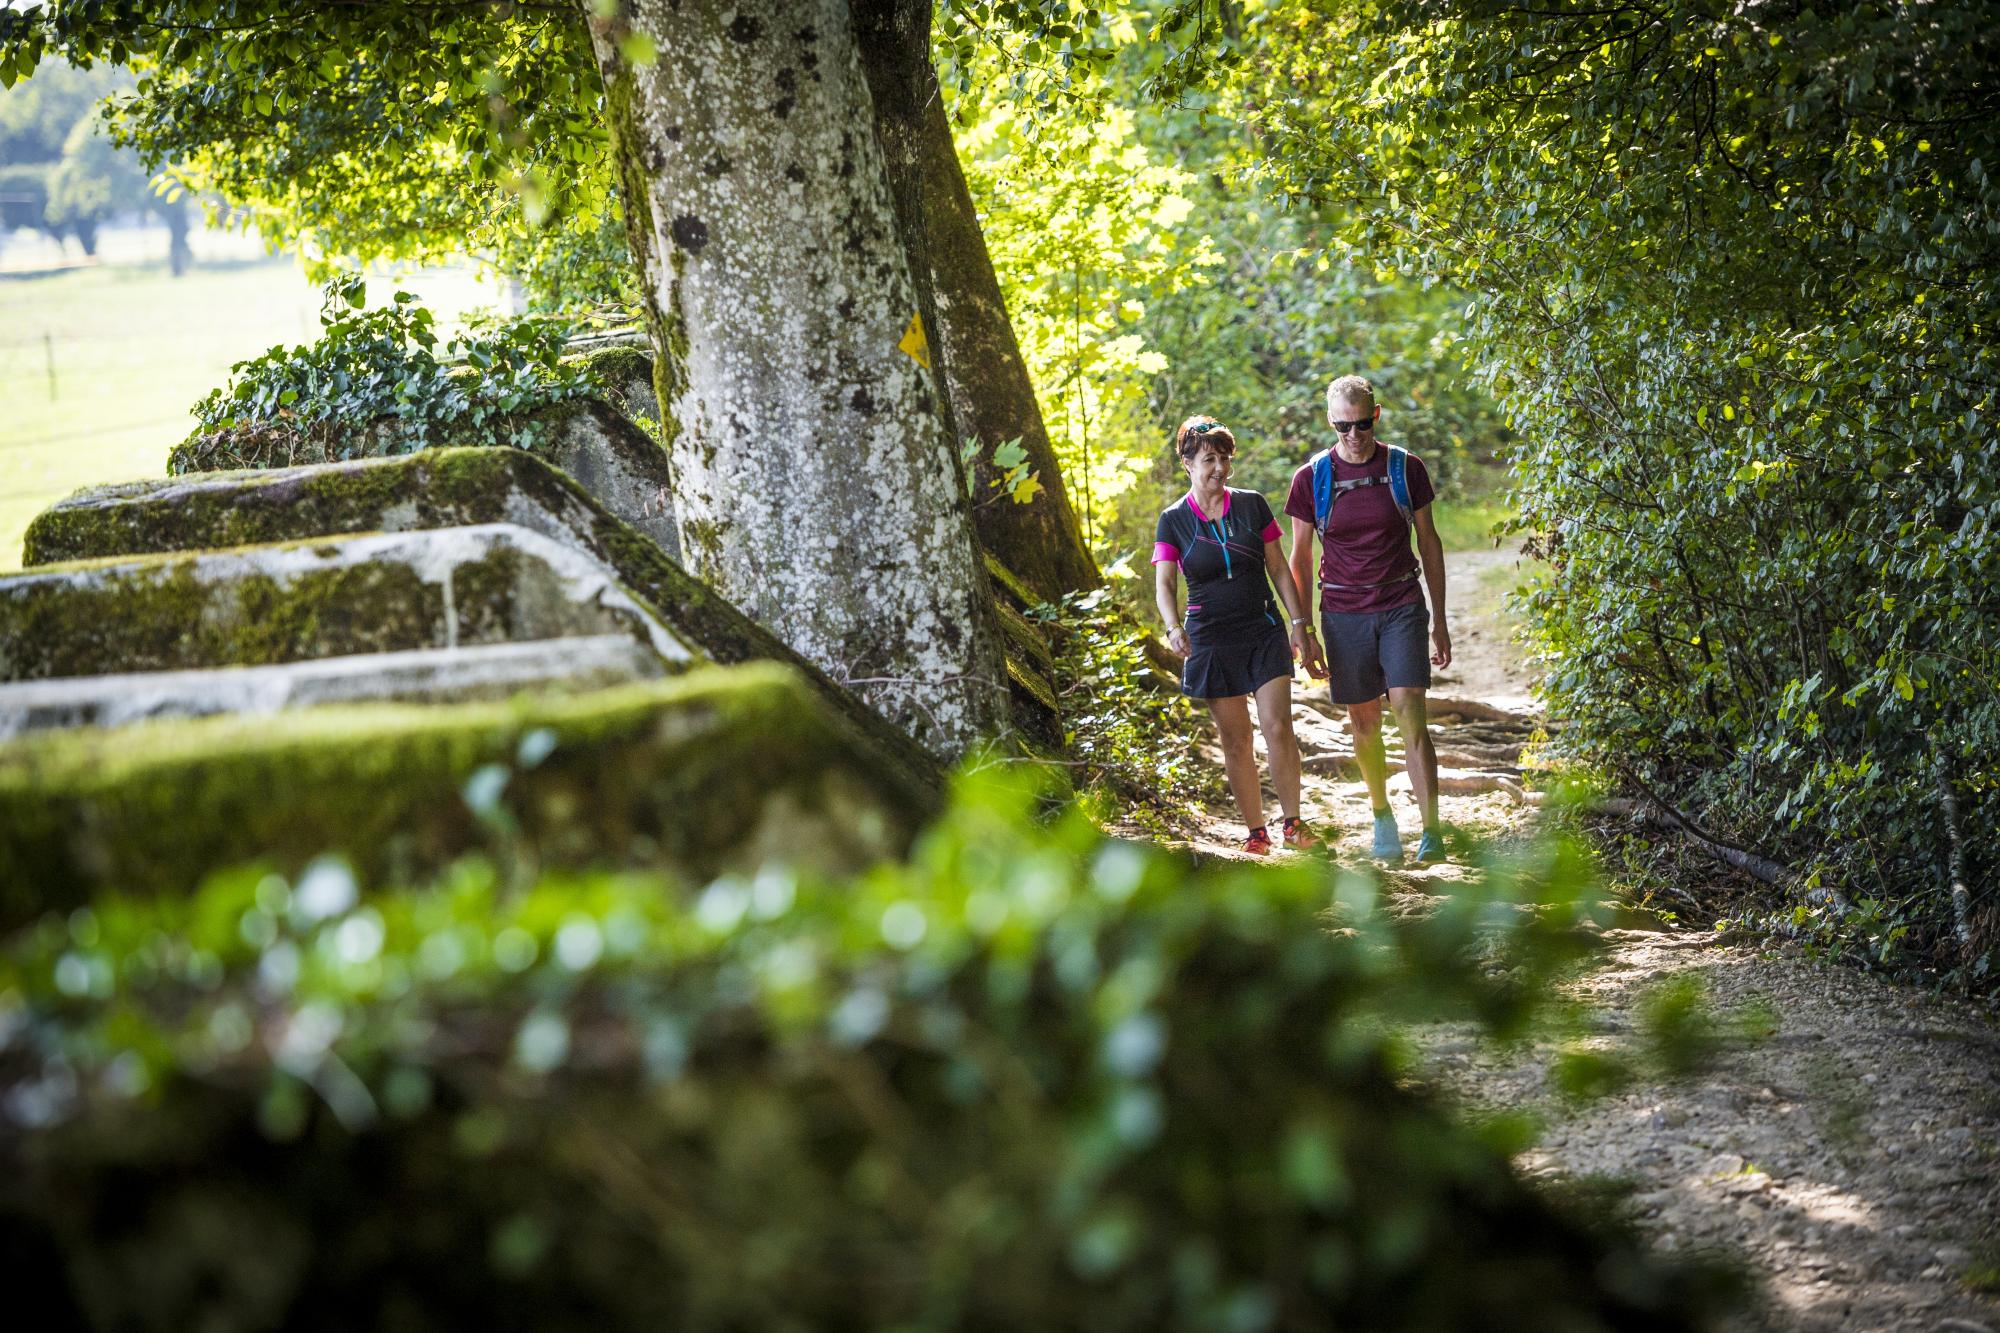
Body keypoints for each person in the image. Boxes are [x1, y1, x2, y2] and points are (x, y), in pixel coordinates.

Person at [1284, 375, 1452, 864]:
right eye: (1343, 427)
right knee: (1364, 724)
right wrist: (1303, 629)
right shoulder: (1311, 478)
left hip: (1400, 604)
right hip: (1342, 613)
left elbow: (1430, 543)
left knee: (1410, 715)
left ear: (1375, 416)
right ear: (1330, 422)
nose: (1353, 435)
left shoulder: (1405, 468)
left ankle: (1432, 830)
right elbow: (1298, 557)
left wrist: (1439, 620)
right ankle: (1382, 817)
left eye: (1361, 424)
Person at [1154, 416, 1325, 855]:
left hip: (1262, 628)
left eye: (1225, 458)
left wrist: (1299, 622)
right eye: (1209, 459)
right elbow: (1165, 583)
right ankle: (1256, 832)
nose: (1219, 468)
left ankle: (1293, 824)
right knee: (1236, 740)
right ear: (1187, 463)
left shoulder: (1252, 505)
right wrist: (1173, 627)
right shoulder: (1173, 520)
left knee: (1278, 725)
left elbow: (1278, 569)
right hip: (1210, 638)